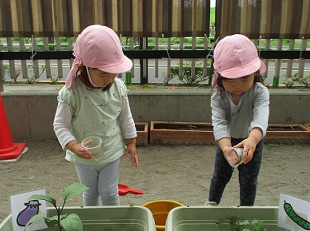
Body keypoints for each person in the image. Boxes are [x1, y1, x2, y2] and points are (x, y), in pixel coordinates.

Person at [53, 25, 138, 206]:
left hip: (112, 151)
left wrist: (131, 142)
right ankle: (94, 224)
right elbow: (60, 125)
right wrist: (74, 145)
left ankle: (112, 223)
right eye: (103, 73)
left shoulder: (118, 88)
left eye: (114, 71)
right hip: (84, 156)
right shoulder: (71, 93)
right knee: (90, 193)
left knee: (108, 192)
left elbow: (125, 117)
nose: (110, 78)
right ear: (84, 67)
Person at [206, 34, 270, 206]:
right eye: (231, 80)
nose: (238, 85)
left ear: (255, 74)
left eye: (245, 78)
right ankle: (210, 206)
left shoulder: (260, 92)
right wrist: (226, 148)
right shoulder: (218, 97)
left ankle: (246, 213)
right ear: (220, 77)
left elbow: (260, 119)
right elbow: (219, 124)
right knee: (219, 177)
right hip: (227, 141)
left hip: (252, 141)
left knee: (249, 182)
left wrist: (253, 140)